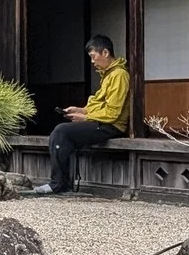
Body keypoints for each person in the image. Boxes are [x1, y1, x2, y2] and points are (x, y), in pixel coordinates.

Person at [34, 35, 129, 195]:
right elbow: (99, 104)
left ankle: (58, 184)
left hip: (111, 125)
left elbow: (113, 112)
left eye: (93, 57)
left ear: (105, 52)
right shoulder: (108, 74)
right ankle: (63, 183)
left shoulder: (119, 75)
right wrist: (80, 110)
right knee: (63, 135)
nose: (92, 62)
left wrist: (85, 118)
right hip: (102, 121)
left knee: (61, 131)